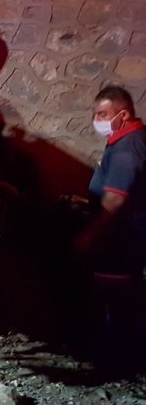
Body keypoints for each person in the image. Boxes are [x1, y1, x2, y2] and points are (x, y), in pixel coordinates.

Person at [76, 86, 146, 275]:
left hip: (126, 232)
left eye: (102, 114)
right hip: (124, 228)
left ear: (124, 115)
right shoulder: (128, 139)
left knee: (115, 278)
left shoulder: (127, 149)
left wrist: (90, 235)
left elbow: (114, 200)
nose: (96, 120)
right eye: (95, 114)